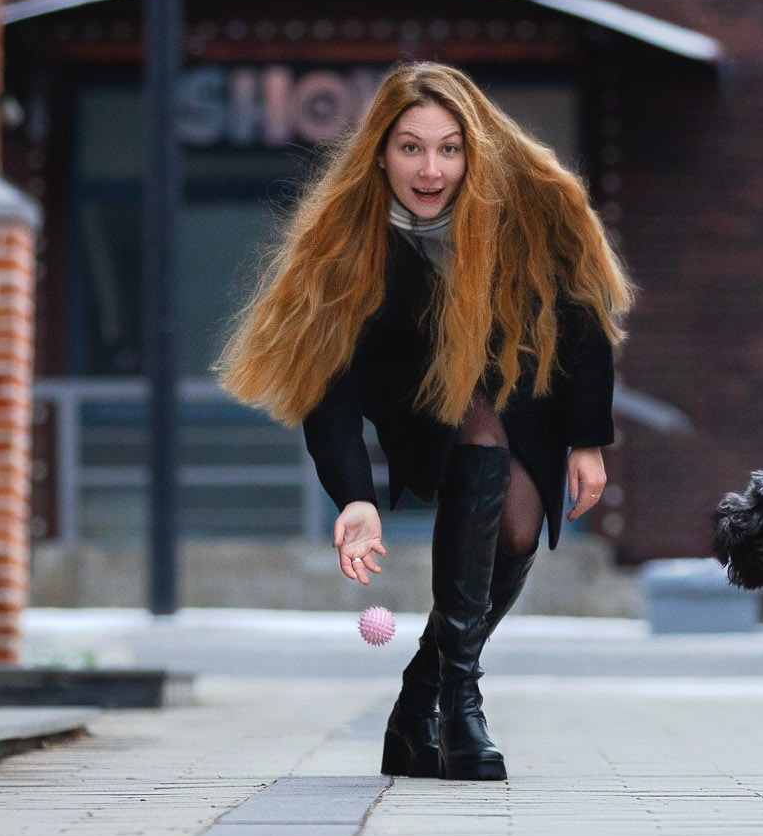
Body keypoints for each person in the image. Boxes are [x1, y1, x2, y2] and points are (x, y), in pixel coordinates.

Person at [219, 62, 633, 781]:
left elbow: (584, 317)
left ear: (474, 149)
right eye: (410, 147)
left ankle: (421, 701)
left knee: (516, 529)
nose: (431, 168)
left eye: (448, 148)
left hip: (517, 383)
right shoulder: (349, 241)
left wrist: (589, 438)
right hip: (417, 401)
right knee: (478, 431)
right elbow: (330, 387)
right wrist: (354, 495)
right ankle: (459, 701)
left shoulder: (524, 205)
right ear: (380, 151)